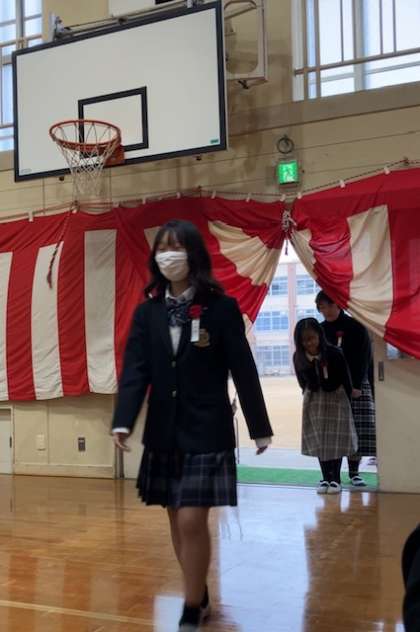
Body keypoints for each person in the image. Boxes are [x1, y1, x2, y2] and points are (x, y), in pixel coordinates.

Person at [111, 219, 273, 632]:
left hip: (207, 429)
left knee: (190, 520)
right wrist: (123, 421)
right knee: (175, 519)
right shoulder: (147, 313)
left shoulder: (221, 308)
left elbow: (243, 367)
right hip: (164, 431)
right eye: (162, 247)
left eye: (176, 246)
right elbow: (136, 371)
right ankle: (197, 592)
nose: (169, 254)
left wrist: (259, 425)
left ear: (193, 254)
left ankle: (189, 606)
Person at [315, 291, 376, 487]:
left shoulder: (356, 326)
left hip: (356, 385)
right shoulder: (320, 330)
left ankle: (354, 472)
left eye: (329, 306)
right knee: (334, 431)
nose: (326, 311)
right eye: (322, 307)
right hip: (331, 386)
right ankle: (333, 476)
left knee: (356, 429)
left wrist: (356, 385)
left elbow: (364, 358)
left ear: (338, 304)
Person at [293, 318, 358, 495]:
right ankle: (325, 478)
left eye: (312, 338)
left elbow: (346, 378)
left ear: (319, 336)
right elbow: (302, 382)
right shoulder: (298, 357)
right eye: (304, 340)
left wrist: (348, 400)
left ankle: (336, 479)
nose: (309, 343)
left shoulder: (334, 353)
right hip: (314, 400)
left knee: (335, 440)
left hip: (336, 398)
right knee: (319, 439)